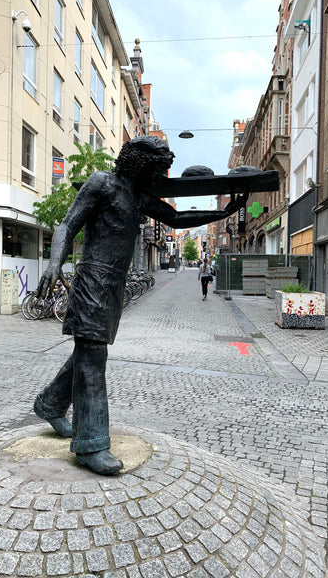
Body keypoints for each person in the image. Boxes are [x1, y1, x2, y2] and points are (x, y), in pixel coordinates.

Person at [34, 136, 248, 475]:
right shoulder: (101, 183)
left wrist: (223, 212)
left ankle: (50, 403)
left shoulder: (140, 195)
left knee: (88, 352)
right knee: (92, 359)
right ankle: (91, 445)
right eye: (159, 171)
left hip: (114, 283)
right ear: (141, 165)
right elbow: (68, 224)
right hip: (93, 279)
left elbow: (176, 220)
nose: (162, 178)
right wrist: (53, 262)